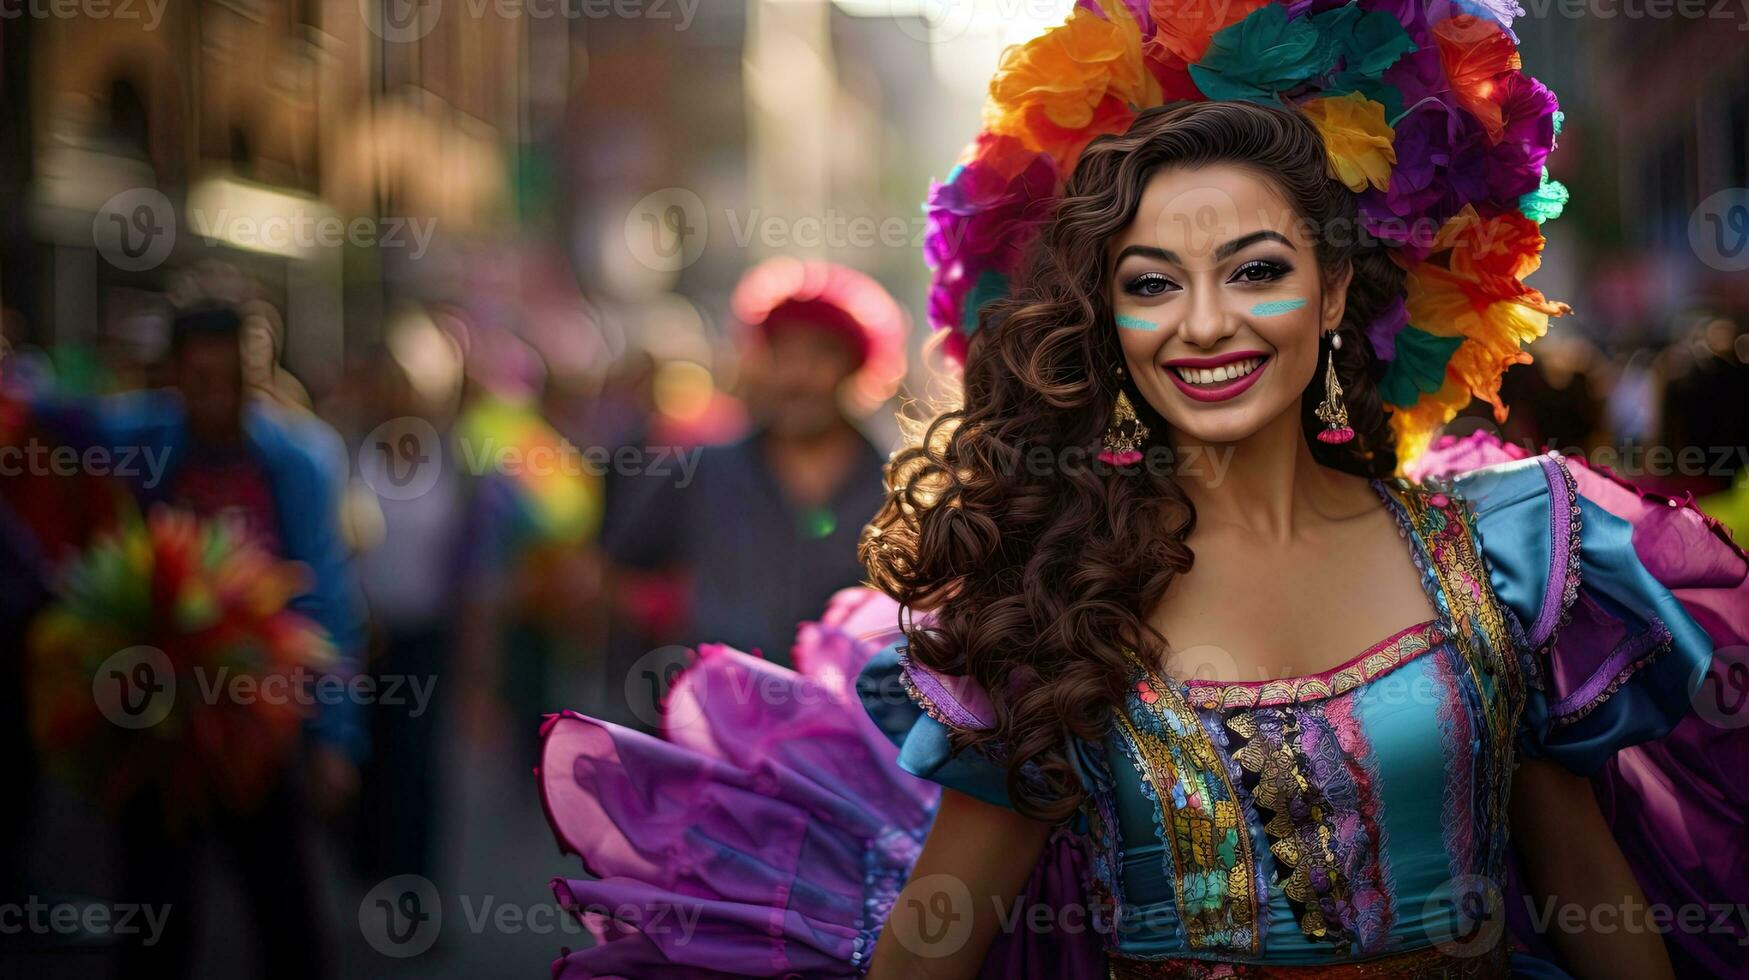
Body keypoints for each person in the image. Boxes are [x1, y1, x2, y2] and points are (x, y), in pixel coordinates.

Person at [535, 4, 1749, 978]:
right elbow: (929, 946)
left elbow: (1595, 903)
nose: (1206, 321)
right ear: (1107, 322)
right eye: (1154, 282)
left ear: (1335, 296)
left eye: (1256, 269)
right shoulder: (1057, 604)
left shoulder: (1511, 554)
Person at [31, 302, 365, 978]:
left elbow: (328, 599)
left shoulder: (300, 460)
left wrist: (335, 736)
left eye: (235, 378)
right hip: (157, 723)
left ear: (261, 374)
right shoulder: (141, 437)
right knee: (154, 917)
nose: (219, 395)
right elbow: (53, 419)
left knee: (287, 917)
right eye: (200, 376)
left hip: (264, 723)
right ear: (174, 376)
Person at [600, 259, 907, 664]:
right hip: (719, 716)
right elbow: (615, 571)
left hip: (857, 718)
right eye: (782, 352)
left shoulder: (899, 488)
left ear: (854, 366)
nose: (797, 375)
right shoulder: (703, 472)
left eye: (820, 355)